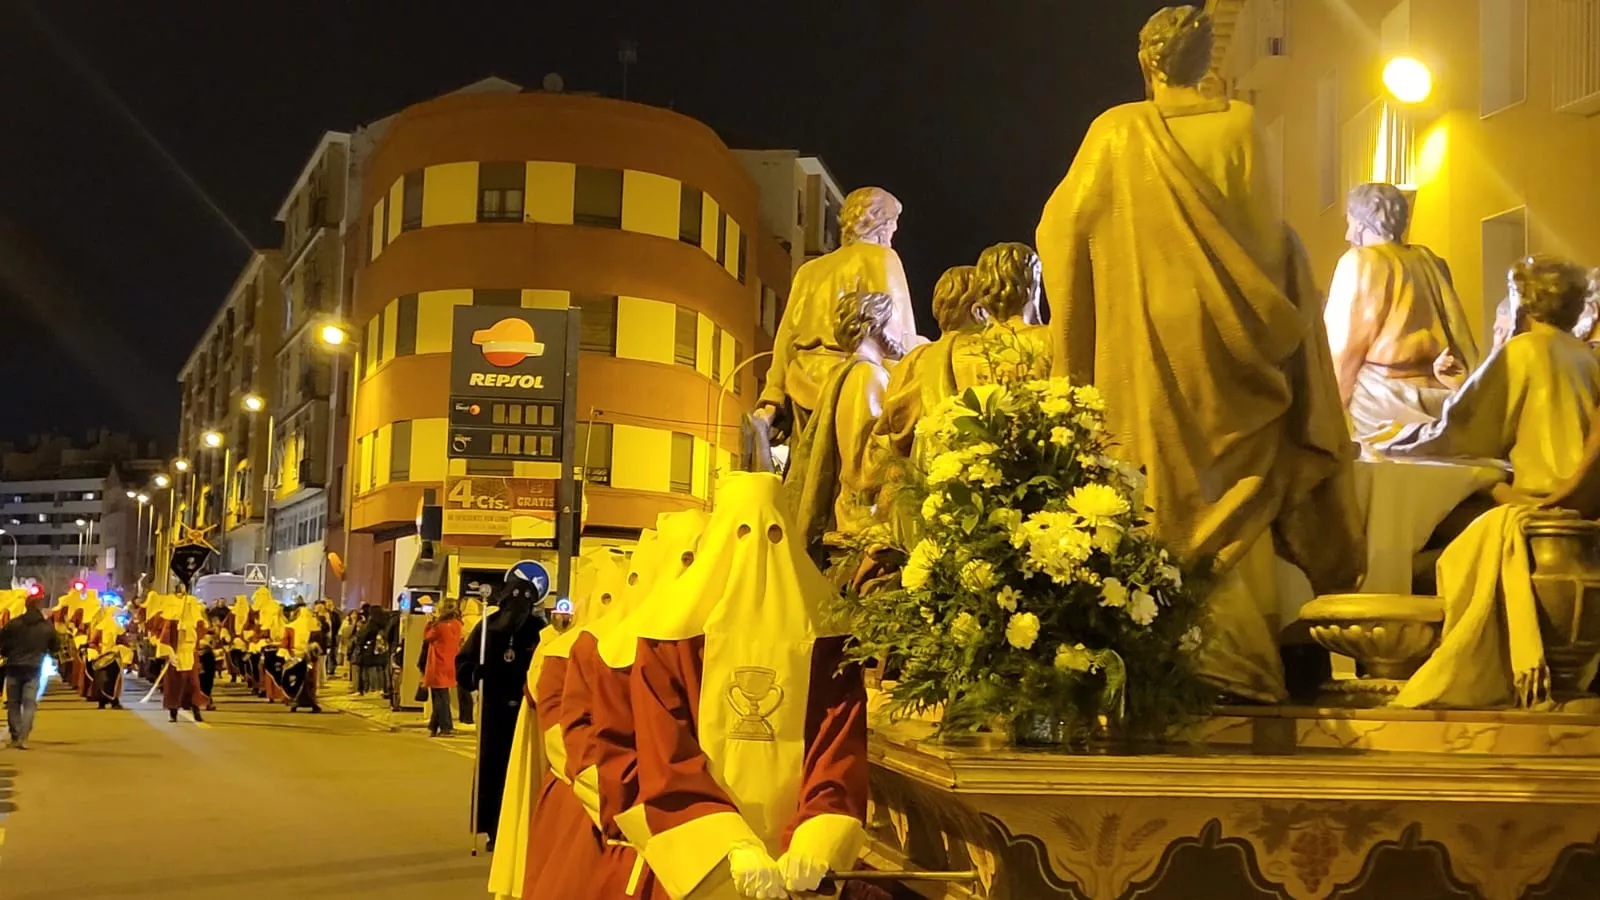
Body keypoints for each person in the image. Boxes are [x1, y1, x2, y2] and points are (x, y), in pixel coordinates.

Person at [1035, 4, 1363, 703]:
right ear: (1204, 63)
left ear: (1146, 63)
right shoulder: (1240, 125)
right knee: (1231, 490)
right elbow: (1265, 239)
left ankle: (1154, 652)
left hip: (1144, 334)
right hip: (1230, 340)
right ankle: (1240, 661)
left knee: (1156, 486)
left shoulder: (1116, 131)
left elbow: (1061, 228)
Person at [623, 473, 869, 899]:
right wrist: (729, 846)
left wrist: (815, 841)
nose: (756, 555)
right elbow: (666, 759)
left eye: (772, 534)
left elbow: (838, 751)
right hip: (706, 872)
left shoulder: (829, 642)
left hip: (795, 876)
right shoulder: (667, 641)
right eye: (741, 533)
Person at [1380, 255, 1600, 498]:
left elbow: (1461, 432)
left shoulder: (1524, 348)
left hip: (1538, 496)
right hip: (1583, 496)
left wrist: (1399, 437)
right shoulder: (1585, 355)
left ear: (1522, 299)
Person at [756, 187, 923, 440]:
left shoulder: (809, 271)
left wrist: (772, 396)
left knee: (806, 465)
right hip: (854, 391)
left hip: (801, 386)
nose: (893, 233)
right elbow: (899, 336)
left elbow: (785, 340)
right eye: (892, 224)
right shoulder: (881, 258)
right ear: (881, 223)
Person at [1324, 182, 1480, 440]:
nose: (1348, 235)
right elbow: (1459, 333)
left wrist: (1329, 413)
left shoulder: (1360, 262)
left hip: (1383, 403)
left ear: (1363, 223)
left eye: (1350, 223)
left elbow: (1343, 350)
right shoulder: (1431, 260)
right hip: (1442, 398)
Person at [786, 287, 900, 560]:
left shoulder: (848, 373)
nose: (901, 331)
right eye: (895, 322)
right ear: (874, 324)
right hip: (864, 524)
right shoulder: (867, 375)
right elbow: (866, 460)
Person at [458, 574, 545, 845]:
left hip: (526, 711)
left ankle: (523, 826)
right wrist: (476, 674)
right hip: (494, 709)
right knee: (493, 770)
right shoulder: (488, 627)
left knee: (522, 770)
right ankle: (493, 827)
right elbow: (463, 663)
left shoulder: (539, 630)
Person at [873, 264, 981, 463]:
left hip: (917, 469)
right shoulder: (981, 354)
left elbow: (894, 424)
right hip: (972, 469)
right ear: (979, 310)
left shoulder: (912, 359)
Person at [1, 591, 62, 749]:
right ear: (39, 607)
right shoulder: (46, 627)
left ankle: (15, 735)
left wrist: (7, 653)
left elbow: (3, 643)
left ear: (26, 606)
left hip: (13, 666)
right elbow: (56, 646)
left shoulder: (14, 624)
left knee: (13, 703)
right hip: (34, 667)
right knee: (29, 703)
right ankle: (23, 737)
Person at [147, 592, 211, 723]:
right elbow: (164, 638)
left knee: (193, 685)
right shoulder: (172, 621)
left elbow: (202, 634)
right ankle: (173, 711)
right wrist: (169, 653)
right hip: (176, 655)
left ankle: (196, 709)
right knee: (174, 684)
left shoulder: (197, 622)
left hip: (191, 655)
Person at [423, 602, 463, 737]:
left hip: (438, 664)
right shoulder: (457, 624)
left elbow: (428, 637)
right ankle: (433, 726)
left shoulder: (439, 627)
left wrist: (429, 622)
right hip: (451, 662)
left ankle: (446, 727)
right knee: (442, 695)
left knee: (440, 697)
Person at [85, 601, 132, 710]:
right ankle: (111, 701)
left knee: (106, 680)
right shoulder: (112, 628)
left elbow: (93, 642)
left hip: (108, 657)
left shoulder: (104, 627)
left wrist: (99, 650)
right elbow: (124, 642)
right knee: (108, 680)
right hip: (108, 658)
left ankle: (106, 702)